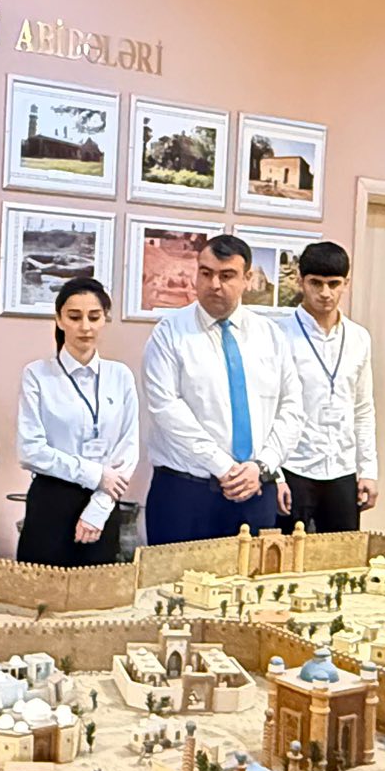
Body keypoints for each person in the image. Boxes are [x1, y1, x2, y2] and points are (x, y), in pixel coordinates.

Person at [141, 234, 303, 546]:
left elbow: (292, 408)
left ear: (247, 279)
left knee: (252, 578)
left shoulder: (270, 336)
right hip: (186, 495)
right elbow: (167, 410)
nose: (214, 284)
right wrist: (225, 467)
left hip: (256, 491)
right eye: (206, 273)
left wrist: (262, 465)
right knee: (173, 578)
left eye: (226, 275)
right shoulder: (169, 334)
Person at [15, 276, 140, 566]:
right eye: (74, 317)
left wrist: (99, 507)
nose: (85, 327)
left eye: (94, 317)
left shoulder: (120, 376)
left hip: (104, 501)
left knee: (99, 592)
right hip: (51, 500)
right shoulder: (37, 375)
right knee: (39, 589)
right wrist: (94, 474)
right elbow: (30, 450)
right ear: (59, 320)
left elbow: (128, 449)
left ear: (104, 319)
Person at [277, 240, 378, 534]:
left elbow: (363, 408)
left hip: (342, 468)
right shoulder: (278, 335)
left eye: (334, 284)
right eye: (316, 283)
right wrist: (274, 474)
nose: (325, 293)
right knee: (284, 555)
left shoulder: (359, 338)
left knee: (342, 556)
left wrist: (368, 470)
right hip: (293, 466)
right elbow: (267, 411)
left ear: (346, 283)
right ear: (300, 281)